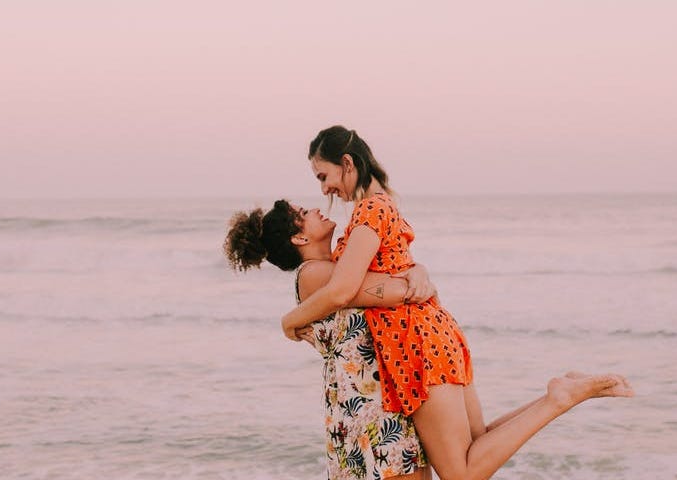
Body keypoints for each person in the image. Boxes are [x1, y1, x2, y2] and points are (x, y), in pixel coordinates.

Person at [280, 126, 635, 480]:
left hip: (414, 343)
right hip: (434, 333)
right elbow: (387, 275)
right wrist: (418, 272)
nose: (324, 188)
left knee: (461, 473)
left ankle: (560, 398)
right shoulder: (378, 207)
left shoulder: (369, 210)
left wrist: (289, 322)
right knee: (478, 444)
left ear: (347, 163)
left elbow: (342, 290)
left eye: (324, 176)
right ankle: (562, 392)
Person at [224, 199, 434, 480]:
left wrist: (418, 270)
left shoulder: (339, 269)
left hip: (380, 400)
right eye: (302, 214)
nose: (314, 209)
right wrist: (416, 274)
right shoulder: (313, 273)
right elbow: (397, 289)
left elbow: (400, 277)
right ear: (300, 237)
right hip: (371, 411)